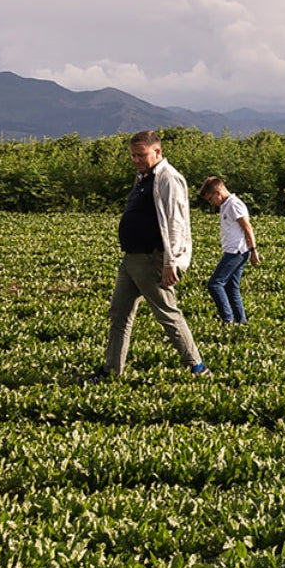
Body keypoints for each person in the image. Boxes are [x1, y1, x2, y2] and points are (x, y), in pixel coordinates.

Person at [89, 130, 207, 381]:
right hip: (131, 259)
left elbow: (176, 222)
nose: (136, 160)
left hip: (152, 259)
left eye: (141, 155)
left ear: (158, 152)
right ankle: (111, 370)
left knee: (167, 313)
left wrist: (170, 262)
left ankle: (197, 366)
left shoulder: (168, 178)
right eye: (133, 155)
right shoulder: (144, 177)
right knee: (119, 313)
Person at [198, 175, 261, 324]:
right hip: (233, 252)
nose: (211, 203)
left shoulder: (234, 204)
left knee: (215, 284)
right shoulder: (225, 205)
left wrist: (253, 251)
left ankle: (228, 319)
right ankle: (241, 322)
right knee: (231, 288)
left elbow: (247, 228)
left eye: (210, 198)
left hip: (237, 252)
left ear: (218, 193)